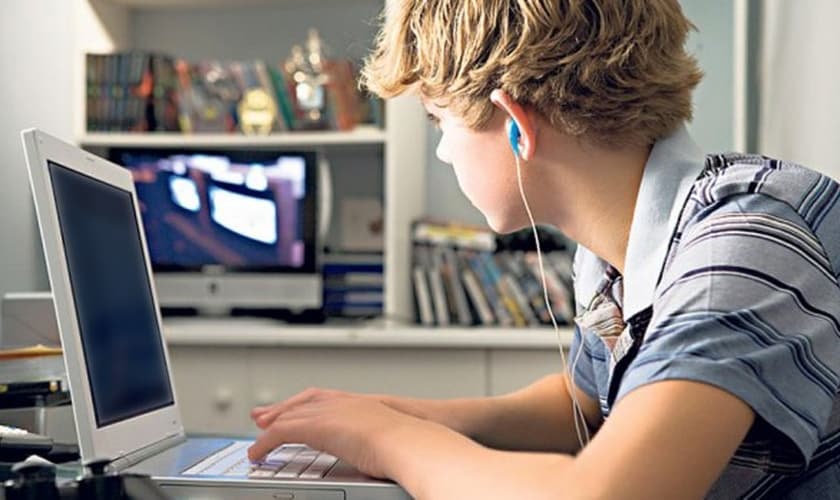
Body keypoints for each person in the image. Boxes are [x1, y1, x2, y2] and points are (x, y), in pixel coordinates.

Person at [247, 1, 840, 498]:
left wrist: (387, 439)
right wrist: (406, 414)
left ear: (515, 124)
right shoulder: (622, 243)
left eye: (438, 122)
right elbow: (583, 404)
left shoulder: (742, 251)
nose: (443, 153)